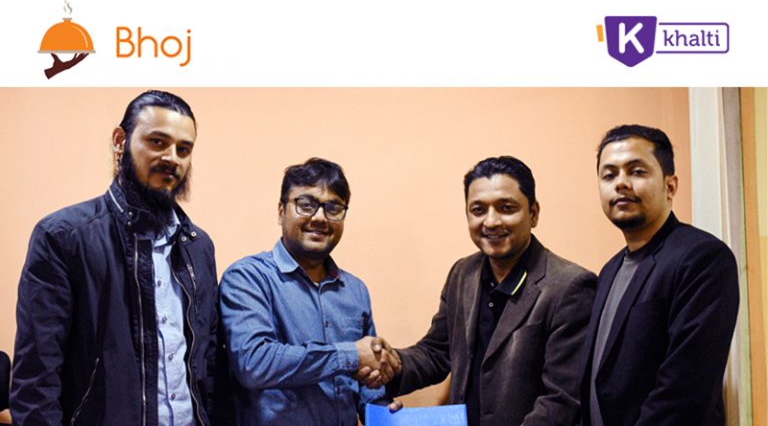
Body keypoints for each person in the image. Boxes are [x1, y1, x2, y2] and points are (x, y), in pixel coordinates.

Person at [11, 90, 223, 425]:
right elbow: (37, 378)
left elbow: (206, 364)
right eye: (157, 142)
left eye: (184, 149)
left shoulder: (198, 246)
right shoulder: (63, 237)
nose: (172, 158)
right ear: (120, 141)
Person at [382, 156, 596, 426]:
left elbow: (561, 400)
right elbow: (437, 352)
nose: (491, 221)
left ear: (534, 213)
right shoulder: (462, 273)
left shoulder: (571, 286)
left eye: (506, 208)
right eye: (478, 210)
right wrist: (392, 363)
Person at [579, 124, 739, 426]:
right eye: (609, 175)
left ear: (670, 186)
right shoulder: (609, 270)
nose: (621, 183)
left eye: (637, 171)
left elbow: (685, 391)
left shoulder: (702, 257)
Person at [219, 157, 398, 426]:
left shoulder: (355, 290)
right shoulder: (247, 278)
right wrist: (350, 355)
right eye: (306, 205)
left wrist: (381, 408)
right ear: (281, 211)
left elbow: (367, 384)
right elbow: (254, 363)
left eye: (333, 208)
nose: (320, 218)